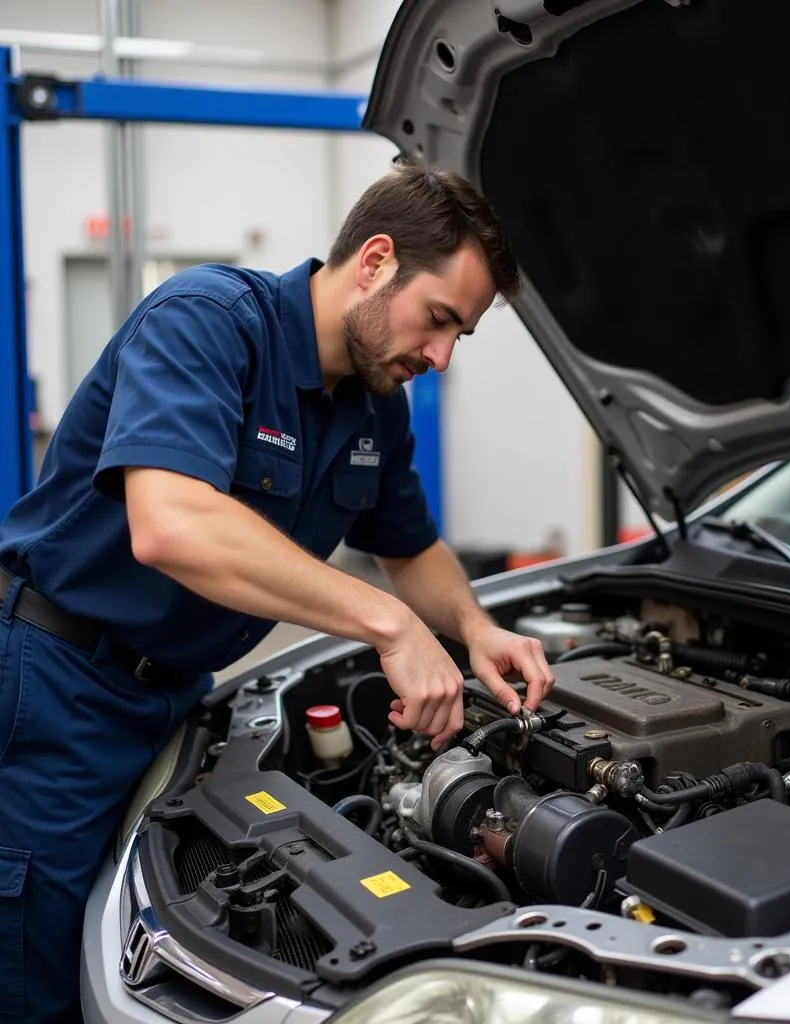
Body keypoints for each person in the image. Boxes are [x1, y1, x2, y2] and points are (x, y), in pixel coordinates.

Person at [0, 161, 556, 1022]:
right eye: (439, 320)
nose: (440, 357)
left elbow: (410, 550)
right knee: (36, 973)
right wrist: (389, 624)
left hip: (177, 696)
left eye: (460, 338)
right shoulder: (210, 322)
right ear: (374, 262)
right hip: (59, 686)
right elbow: (171, 523)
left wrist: (473, 627)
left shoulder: (377, 408)